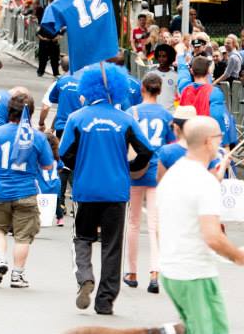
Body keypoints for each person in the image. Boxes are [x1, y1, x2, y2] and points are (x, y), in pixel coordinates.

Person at [59, 63, 155, 315]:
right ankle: (105, 300)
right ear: (116, 89)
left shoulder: (76, 118)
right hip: (116, 190)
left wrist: (80, 166)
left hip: (86, 188)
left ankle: (85, 276)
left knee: (82, 238)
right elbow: (146, 151)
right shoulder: (125, 120)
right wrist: (130, 166)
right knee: (112, 245)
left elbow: (64, 153)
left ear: (87, 90)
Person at [158, 115, 244, 334]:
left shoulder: (175, 173)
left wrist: (216, 177)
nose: (221, 142)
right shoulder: (203, 182)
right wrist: (238, 256)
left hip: (173, 271)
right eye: (219, 137)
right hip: (194, 274)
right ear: (208, 141)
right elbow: (213, 237)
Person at [0, 91, 53, 288]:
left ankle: (0, 259)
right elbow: (47, 166)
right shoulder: (37, 137)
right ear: (31, 112)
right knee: (23, 236)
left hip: (0, 192)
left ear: (8, 111)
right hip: (26, 192)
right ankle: (17, 276)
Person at [124, 73, 175, 294]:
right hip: (157, 171)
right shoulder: (166, 115)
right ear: (159, 90)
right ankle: (155, 272)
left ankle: (132, 272)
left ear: (142, 88)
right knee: (155, 225)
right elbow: (171, 145)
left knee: (134, 222)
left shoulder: (131, 113)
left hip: (136, 169)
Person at [179, 56, 233, 147]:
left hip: (187, 139)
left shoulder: (184, 88)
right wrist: (225, 145)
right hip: (205, 140)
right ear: (208, 71)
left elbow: (182, 74)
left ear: (192, 71)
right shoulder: (214, 92)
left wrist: (181, 57)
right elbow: (218, 117)